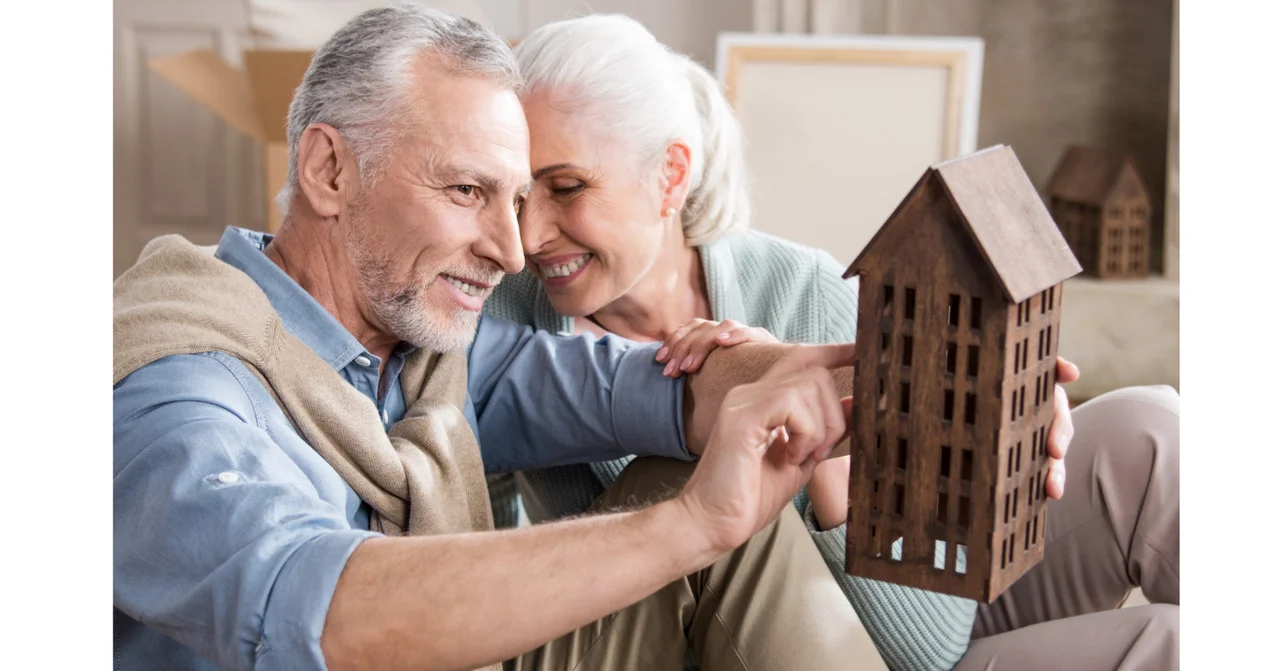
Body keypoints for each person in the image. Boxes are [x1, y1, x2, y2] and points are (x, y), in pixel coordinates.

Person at [112, 7, 936, 670]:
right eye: (468, 190)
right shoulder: (177, 388)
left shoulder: (427, 358)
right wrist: (690, 524)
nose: (513, 249)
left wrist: (908, 390)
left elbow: (655, 386)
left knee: (682, 477)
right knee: (694, 518)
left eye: (516, 200)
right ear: (330, 170)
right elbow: (318, 617)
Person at [484, 14, 1179, 670]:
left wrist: (994, 423)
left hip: (915, 618)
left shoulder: (802, 289)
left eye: (566, 188)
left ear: (670, 175)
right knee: (1173, 642)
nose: (529, 236)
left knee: (1150, 431)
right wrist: (795, 430)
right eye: (516, 197)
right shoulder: (505, 332)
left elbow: (930, 629)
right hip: (815, 647)